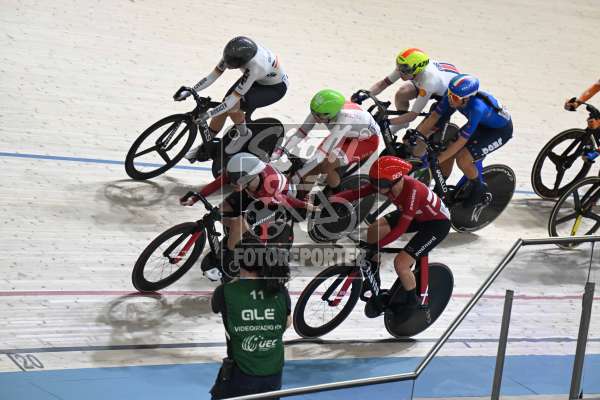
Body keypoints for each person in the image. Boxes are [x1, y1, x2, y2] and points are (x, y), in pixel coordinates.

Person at [331, 156, 451, 317]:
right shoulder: (385, 183)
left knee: (401, 264)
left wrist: (376, 246)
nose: (376, 187)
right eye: (374, 182)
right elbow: (355, 193)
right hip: (418, 215)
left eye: (379, 184)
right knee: (374, 229)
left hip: (436, 224)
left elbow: (401, 229)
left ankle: (412, 303)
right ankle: (374, 275)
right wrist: (329, 200)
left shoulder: (412, 191)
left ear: (395, 181)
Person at [182, 152, 313, 281]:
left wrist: (304, 205)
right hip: (252, 191)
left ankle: (229, 259)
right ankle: (234, 239)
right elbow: (218, 183)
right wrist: (195, 198)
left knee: (238, 223)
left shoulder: (269, 185)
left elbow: (286, 201)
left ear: (247, 177)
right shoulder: (240, 172)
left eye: (235, 181)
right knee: (221, 209)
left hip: (272, 201)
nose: (232, 184)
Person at [174, 36, 289, 162]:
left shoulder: (255, 67)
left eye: (232, 65)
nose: (228, 66)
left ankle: (244, 134)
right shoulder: (233, 53)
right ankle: (205, 145)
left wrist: (208, 115)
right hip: (260, 78)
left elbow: (231, 103)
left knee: (233, 107)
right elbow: (212, 76)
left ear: (242, 62)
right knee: (224, 106)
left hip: (274, 88)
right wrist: (190, 91)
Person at [408, 74, 513, 206]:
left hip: (499, 131)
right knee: (447, 150)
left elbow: (460, 143)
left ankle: (479, 189)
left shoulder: (477, 108)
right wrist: (418, 135)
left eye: (455, 98)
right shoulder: (454, 96)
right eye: (449, 94)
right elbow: (434, 116)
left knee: (463, 159)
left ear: (467, 99)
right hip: (481, 124)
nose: (450, 99)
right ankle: (441, 187)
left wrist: (437, 161)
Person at [209, 244, 291, 400]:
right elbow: (287, 323)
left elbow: (215, 308)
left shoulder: (224, 291)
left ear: (238, 262)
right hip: (274, 373)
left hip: (241, 373)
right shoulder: (280, 290)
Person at [271, 89, 380, 192]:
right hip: (346, 134)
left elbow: (322, 154)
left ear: (331, 114)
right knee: (310, 170)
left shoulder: (345, 119)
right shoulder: (320, 110)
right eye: (313, 113)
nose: (315, 118)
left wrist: (297, 176)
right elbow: (302, 132)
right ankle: (303, 196)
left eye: (319, 116)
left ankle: (337, 195)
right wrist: (280, 151)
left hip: (366, 141)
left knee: (325, 166)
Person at [359, 48, 459, 132]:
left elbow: (413, 115)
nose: (400, 72)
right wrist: (364, 95)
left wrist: (387, 122)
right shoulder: (406, 67)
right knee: (403, 92)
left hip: (449, 95)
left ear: (417, 69)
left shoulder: (429, 82)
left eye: (404, 70)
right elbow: (383, 84)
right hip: (438, 80)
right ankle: (402, 123)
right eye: (399, 66)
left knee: (421, 133)